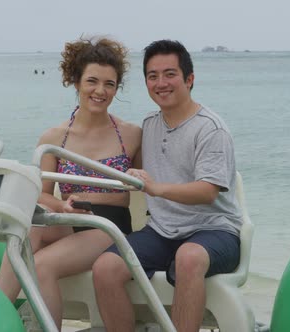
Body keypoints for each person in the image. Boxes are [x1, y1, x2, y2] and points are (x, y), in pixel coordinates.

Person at [92, 40, 243, 332]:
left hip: (215, 230)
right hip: (162, 231)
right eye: (152, 76)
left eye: (170, 74)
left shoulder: (210, 128)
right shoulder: (150, 123)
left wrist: (156, 189)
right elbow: (133, 168)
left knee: (188, 257)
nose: (161, 83)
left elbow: (207, 191)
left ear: (189, 79)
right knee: (105, 269)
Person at [0, 37, 141, 330]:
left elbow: (139, 188)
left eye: (109, 84)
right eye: (92, 81)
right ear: (76, 81)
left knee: (42, 265)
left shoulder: (131, 134)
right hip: (69, 217)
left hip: (109, 227)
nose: (100, 91)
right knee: (27, 233)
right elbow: (43, 194)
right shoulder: (54, 138)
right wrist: (63, 204)